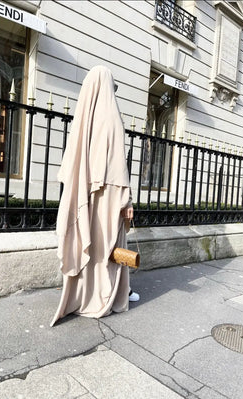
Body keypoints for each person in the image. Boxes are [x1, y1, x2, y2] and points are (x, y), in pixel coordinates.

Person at [51, 65, 139, 326]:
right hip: (109, 197)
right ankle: (110, 294)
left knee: (90, 241)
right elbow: (117, 167)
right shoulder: (111, 117)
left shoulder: (85, 118)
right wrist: (128, 200)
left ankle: (82, 294)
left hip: (87, 195)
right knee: (109, 246)